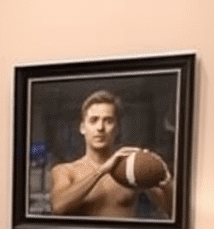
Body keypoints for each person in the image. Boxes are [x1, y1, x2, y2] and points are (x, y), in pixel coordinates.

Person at [49, 90, 173, 219]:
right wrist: (101, 170)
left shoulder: (130, 169)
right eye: (93, 120)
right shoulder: (64, 170)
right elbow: (58, 207)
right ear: (82, 128)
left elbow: (172, 212)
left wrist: (165, 182)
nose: (100, 128)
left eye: (108, 121)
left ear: (117, 128)